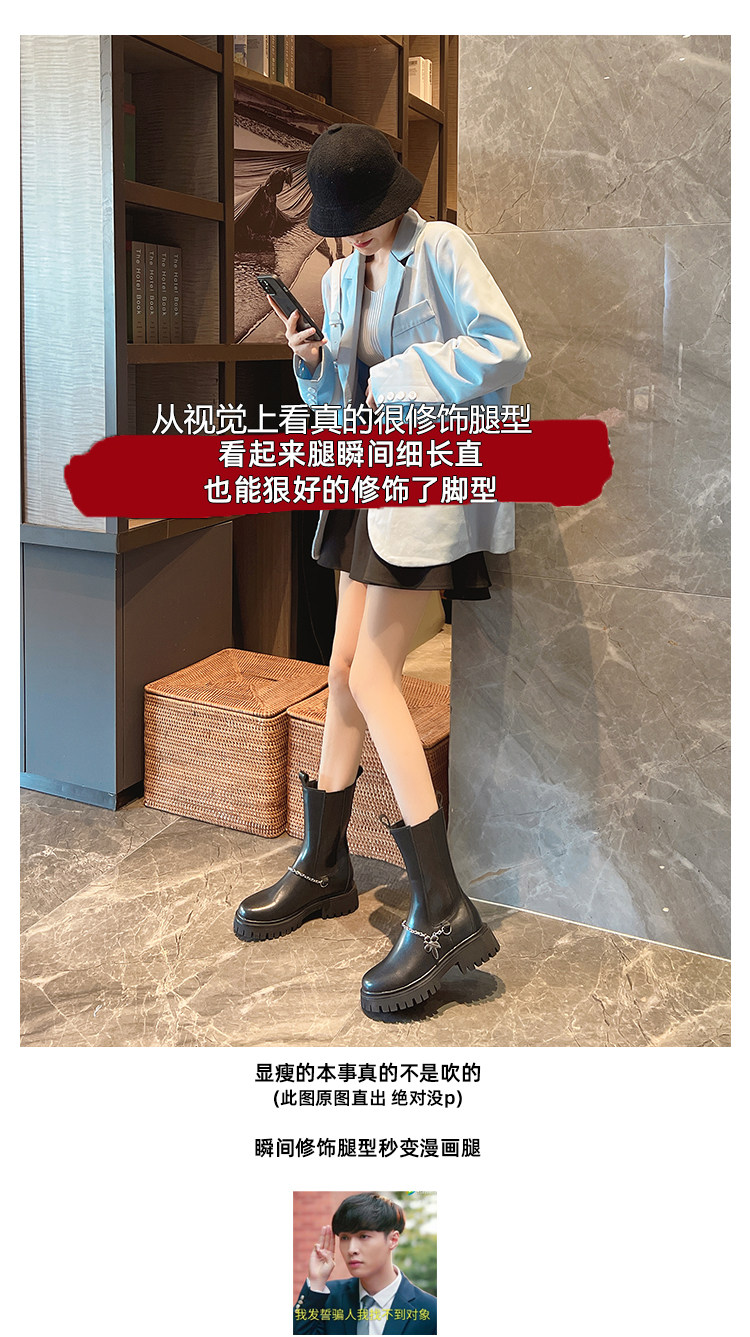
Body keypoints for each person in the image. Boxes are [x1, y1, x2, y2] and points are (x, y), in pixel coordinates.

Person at [234, 122, 531, 1016]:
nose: (350, 235)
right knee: (339, 668)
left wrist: (403, 374)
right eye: (339, 224)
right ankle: (324, 863)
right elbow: (341, 398)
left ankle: (443, 907)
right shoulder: (342, 274)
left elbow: (505, 346)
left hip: (427, 487)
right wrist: (313, 364)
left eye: (360, 219)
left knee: (371, 671)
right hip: (363, 485)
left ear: (392, 201)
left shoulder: (442, 250)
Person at [293, 1193, 437, 1335]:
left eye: (363, 1236)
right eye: (345, 1238)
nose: (351, 1249)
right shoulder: (326, 1299)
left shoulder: (431, 1311)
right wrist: (316, 1282)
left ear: (393, 1240)